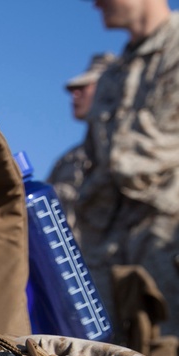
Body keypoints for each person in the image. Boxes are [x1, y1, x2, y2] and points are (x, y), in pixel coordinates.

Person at [75, 0, 179, 336]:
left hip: (166, 237)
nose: (95, 3)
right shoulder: (111, 77)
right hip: (106, 248)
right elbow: (94, 160)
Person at [47, 53, 116, 232]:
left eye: (83, 87)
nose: (74, 95)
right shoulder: (67, 160)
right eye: (73, 90)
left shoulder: (134, 149)